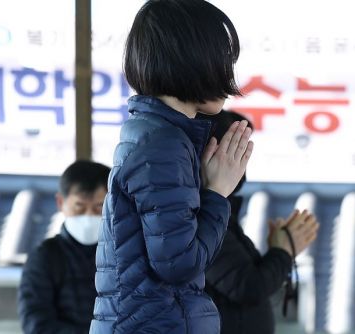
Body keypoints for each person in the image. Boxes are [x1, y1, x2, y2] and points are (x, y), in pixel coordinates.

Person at [90, 1, 252, 333]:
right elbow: (178, 265)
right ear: (193, 59)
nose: (228, 72)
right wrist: (218, 193)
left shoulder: (158, 134)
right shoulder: (164, 144)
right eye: (223, 58)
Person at [202, 111, 319, 334]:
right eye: (236, 151)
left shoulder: (217, 210)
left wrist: (282, 252)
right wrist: (282, 251)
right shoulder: (201, 211)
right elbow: (247, 287)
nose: (242, 163)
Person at [18, 160, 111, 334]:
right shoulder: (44, 257)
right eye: (80, 207)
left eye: (99, 208)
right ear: (61, 203)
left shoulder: (122, 255)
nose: (89, 216)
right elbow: (36, 323)